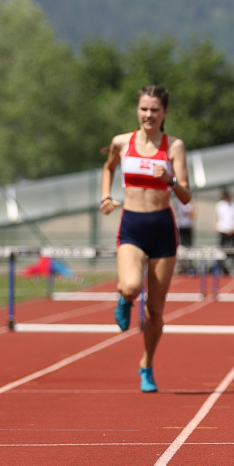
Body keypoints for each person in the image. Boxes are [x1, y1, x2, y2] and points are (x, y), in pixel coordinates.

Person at [99, 85, 191, 393]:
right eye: (143, 109)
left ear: (165, 112)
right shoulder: (121, 142)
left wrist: (170, 179)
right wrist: (106, 196)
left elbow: (186, 196)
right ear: (137, 110)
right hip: (132, 226)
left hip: (163, 228)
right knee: (131, 285)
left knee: (155, 312)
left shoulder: (174, 146)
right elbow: (109, 167)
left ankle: (146, 365)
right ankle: (124, 297)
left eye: (154, 110)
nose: (148, 115)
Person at [214, 189, 234, 275]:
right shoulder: (220, 205)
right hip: (222, 231)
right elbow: (216, 218)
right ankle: (221, 268)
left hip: (233, 232)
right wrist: (216, 227)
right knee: (221, 250)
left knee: (233, 251)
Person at [174, 196, 195, 274]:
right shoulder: (177, 201)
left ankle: (189, 265)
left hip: (188, 226)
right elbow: (176, 213)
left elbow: (193, 213)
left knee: (189, 246)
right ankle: (182, 265)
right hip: (181, 226)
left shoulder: (191, 201)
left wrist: (187, 212)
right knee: (181, 246)